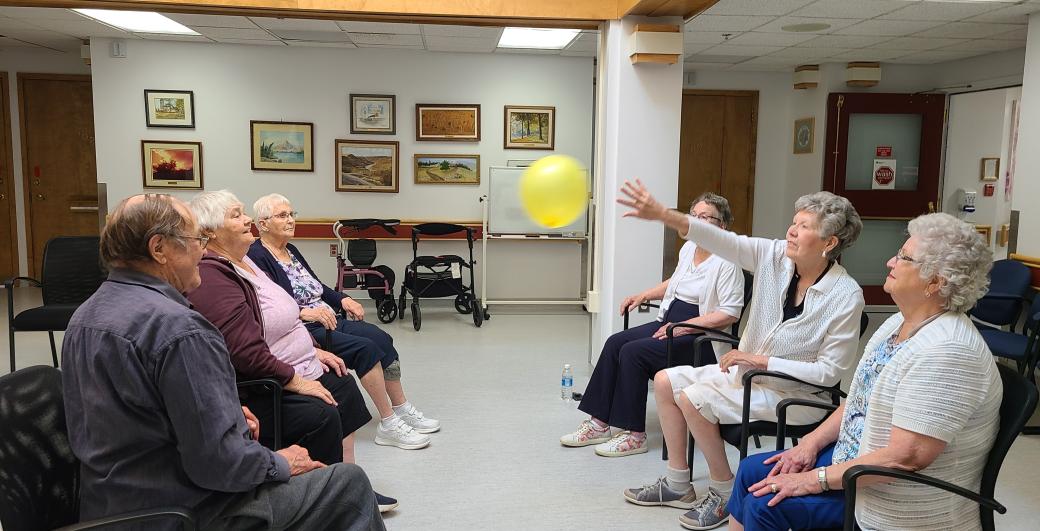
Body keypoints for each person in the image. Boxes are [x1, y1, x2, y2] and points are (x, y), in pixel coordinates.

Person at [61, 194, 384, 530]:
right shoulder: (182, 330)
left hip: (111, 504)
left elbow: (131, 411)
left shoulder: (85, 316)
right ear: (159, 249)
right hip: (184, 509)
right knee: (349, 483)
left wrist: (225, 410)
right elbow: (219, 465)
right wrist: (282, 462)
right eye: (195, 240)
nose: (203, 250)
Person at [727, 212, 999, 531]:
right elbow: (859, 400)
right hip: (856, 460)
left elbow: (904, 459)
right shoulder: (899, 322)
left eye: (903, 257)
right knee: (750, 471)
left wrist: (813, 480)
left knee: (766, 504)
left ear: (936, 281)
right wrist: (810, 444)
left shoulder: (948, 351)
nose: (889, 262)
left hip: (895, 496)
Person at [618, 180, 864, 530]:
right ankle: (677, 483)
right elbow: (726, 241)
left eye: (803, 227)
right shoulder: (775, 256)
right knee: (664, 380)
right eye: (793, 222)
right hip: (747, 377)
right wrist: (664, 215)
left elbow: (828, 373)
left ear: (830, 243)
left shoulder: (846, 295)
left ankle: (723, 491)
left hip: (796, 394)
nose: (791, 232)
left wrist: (760, 361)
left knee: (692, 397)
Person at [185, 190, 405, 512]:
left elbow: (297, 302)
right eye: (236, 215)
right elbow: (245, 349)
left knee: (342, 380)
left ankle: (349, 482)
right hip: (266, 380)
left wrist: (314, 350)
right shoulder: (217, 275)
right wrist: (296, 379)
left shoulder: (245, 261)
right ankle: (326, 497)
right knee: (326, 406)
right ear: (210, 232)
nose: (247, 220)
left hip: (300, 353)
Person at [560, 193, 745, 458]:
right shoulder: (690, 248)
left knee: (634, 353)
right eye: (695, 216)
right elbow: (676, 282)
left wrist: (685, 325)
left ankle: (635, 435)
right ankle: (600, 423)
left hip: (700, 339)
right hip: (670, 324)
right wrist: (645, 295)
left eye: (707, 217)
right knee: (615, 342)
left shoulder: (728, 261)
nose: (699, 222)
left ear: (723, 225)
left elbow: (730, 313)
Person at [248, 193, 439, 446]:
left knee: (382, 338)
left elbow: (316, 286)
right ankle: (389, 423)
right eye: (282, 215)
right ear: (262, 224)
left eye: (292, 214)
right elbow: (270, 303)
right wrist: (304, 312)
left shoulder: (290, 250)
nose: (290, 220)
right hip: (301, 328)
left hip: (326, 318)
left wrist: (342, 299)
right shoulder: (257, 256)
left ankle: (401, 406)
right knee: (366, 349)